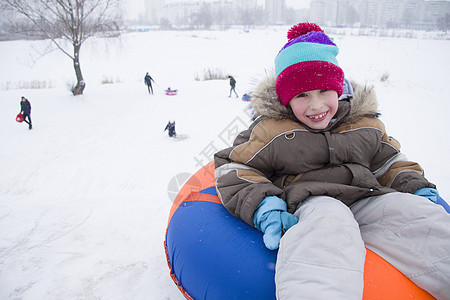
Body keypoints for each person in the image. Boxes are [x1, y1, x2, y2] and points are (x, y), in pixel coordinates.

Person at [214, 22, 450, 299]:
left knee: (412, 212)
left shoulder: (364, 123)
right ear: (286, 98)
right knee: (327, 224)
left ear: (339, 89)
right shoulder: (271, 130)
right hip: (310, 199)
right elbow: (236, 166)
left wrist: (415, 188)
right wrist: (264, 204)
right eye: (302, 95)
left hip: (366, 195)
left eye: (325, 91)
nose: (316, 106)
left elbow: (389, 161)